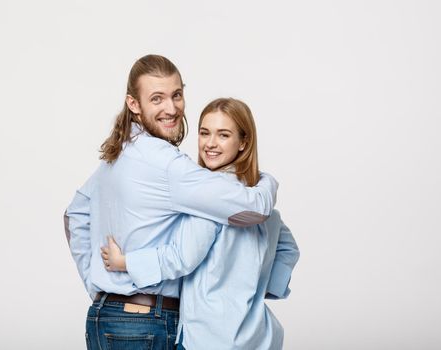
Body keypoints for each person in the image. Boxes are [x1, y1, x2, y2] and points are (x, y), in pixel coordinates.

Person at [64, 55, 279, 350]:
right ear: (134, 105)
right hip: (146, 323)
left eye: (176, 95)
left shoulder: (120, 155)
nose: (171, 108)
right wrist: (267, 180)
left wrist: (100, 287)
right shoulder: (168, 165)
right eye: (157, 99)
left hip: (104, 319)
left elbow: (73, 214)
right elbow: (254, 209)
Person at [101, 98, 300, 349]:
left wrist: (125, 262)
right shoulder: (263, 206)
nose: (210, 143)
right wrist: (253, 294)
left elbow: (182, 258)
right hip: (259, 337)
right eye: (204, 133)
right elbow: (289, 249)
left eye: (223, 135)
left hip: (209, 337)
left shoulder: (209, 202)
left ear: (244, 142)